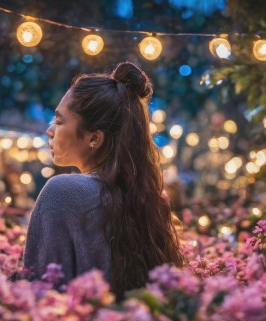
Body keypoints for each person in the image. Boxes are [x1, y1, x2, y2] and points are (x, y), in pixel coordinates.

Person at [23, 62, 184, 297]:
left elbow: (40, 289)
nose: (49, 130)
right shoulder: (146, 197)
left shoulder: (62, 190)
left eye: (59, 121)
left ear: (94, 139)